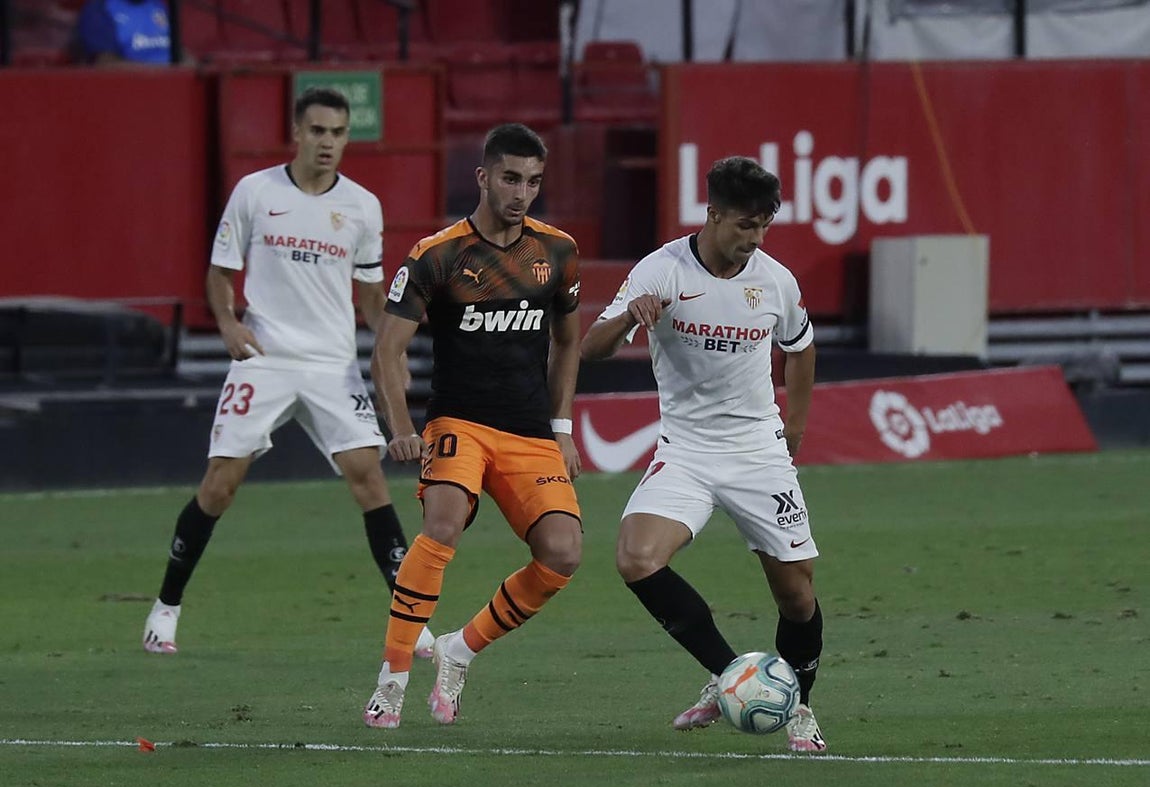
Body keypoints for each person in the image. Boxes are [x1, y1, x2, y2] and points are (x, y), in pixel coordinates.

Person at [141, 87, 433, 660]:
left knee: (369, 479)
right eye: (318, 131)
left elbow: (371, 295)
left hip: (331, 363)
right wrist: (227, 322)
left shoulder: (362, 206)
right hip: (265, 358)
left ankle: (411, 622)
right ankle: (165, 609)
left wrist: (393, 348)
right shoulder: (256, 192)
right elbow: (220, 273)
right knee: (220, 485)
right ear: (297, 132)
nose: (328, 142)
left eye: (338, 133)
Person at [580, 156, 827, 752]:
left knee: (797, 595)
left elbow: (800, 347)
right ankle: (730, 675)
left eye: (764, 225)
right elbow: (591, 348)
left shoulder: (776, 281)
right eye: (745, 224)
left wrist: (794, 426)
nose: (756, 237)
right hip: (686, 450)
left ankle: (801, 707)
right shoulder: (661, 270)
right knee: (637, 558)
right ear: (713, 214)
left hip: (757, 451)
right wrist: (629, 318)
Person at [362, 122, 583, 729]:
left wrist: (562, 427)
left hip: (529, 431)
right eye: (511, 178)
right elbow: (387, 349)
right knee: (443, 523)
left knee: (563, 553)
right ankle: (392, 679)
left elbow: (568, 342)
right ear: (483, 177)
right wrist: (401, 427)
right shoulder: (437, 255)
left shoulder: (557, 251)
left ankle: (459, 650)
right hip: (458, 420)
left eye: (533, 181)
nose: (522, 193)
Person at [74, 0, 172, 65]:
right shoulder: (99, 9)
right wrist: (162, 70)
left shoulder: (160, 5)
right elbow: (106, 64)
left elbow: (177, 52)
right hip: (133, 85)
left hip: (173, 81)